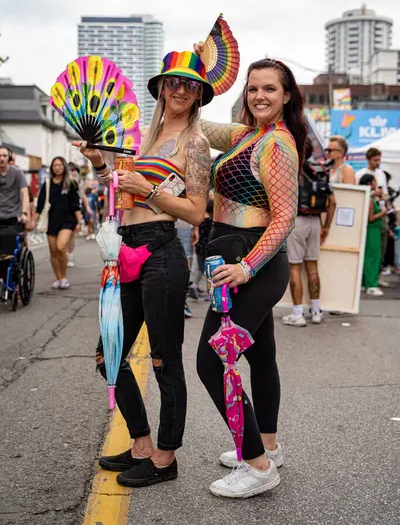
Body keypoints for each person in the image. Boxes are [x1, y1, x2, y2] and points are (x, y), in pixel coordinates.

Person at [74, 50, 212, 489]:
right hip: (125, 251)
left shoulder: (196, 144)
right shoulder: (140, 137)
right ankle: (141, 444)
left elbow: (195, 212)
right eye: (172, 82)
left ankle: (166, 458)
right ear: (159, 88)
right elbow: (117, 186)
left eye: (189, 85)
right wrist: (99, 160)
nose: (179, 90)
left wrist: (149, 190)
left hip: (162, 254)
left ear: (198, 95)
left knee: (163, 361)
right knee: (107, 354)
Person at [194, 53, 307, 498]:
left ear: (285, 96)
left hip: (254, 263)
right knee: (260, 358)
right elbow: (196, 125)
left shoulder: (277, 144)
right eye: (253, 88)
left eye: (269, 89)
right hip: (236, 258)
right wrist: (192, 78)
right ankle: (270, 446)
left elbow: (284, 219)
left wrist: (246, 267)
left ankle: (258, 466)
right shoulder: (248, 134)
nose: (259, 95)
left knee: (210, 360)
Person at [282, 139, 336, 326]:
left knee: (295, 267)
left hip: (297, 221)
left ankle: (298, 314)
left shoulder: (293, 169)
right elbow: (333, 202)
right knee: (312, 267)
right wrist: (326, 226)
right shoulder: (320, 170)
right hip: (315, 220)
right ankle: (315, 311)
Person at [35, 157, 83, 290]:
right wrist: (33, 220)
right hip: (52, 221)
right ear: (51, 168)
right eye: (54, 165)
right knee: (53, 251)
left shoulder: (71, 183)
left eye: (59, 165)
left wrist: (79, 221)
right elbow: (40, 205)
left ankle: (64, 277)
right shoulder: (48, 183)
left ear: (64, 167)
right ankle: (58, 278)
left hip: (67, 221)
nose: (57, 167)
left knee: (61, 247)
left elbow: (75, 205)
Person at [356, 148, 388, 272]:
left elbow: (385, 194)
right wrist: (373, 193)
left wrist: (383, 196)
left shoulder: (382, 174)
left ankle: (376, 276)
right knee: (368, 247)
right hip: (367, 213)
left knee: (381, 246)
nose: (377, 162)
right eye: (375, 160)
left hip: (380, 211)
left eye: (379, 160)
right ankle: (366, 278)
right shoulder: (359, 174)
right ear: (368, 160)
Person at [0, 145, 30, 263]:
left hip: (13, 217)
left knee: (11, 245)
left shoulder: (17, 173)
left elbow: (25, 194)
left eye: (4, 156)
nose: (1, 158)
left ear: (9, 158)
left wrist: (24, 213)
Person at [359, 174, 386, 296]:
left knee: (368, 256)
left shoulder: (370, 197)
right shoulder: (369, 200)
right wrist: (383, 213)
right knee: (372, 258)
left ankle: (365, 283)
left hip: (372, 230)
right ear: (370, 183)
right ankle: (371, 284)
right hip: (372, 231)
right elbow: (371, 218)